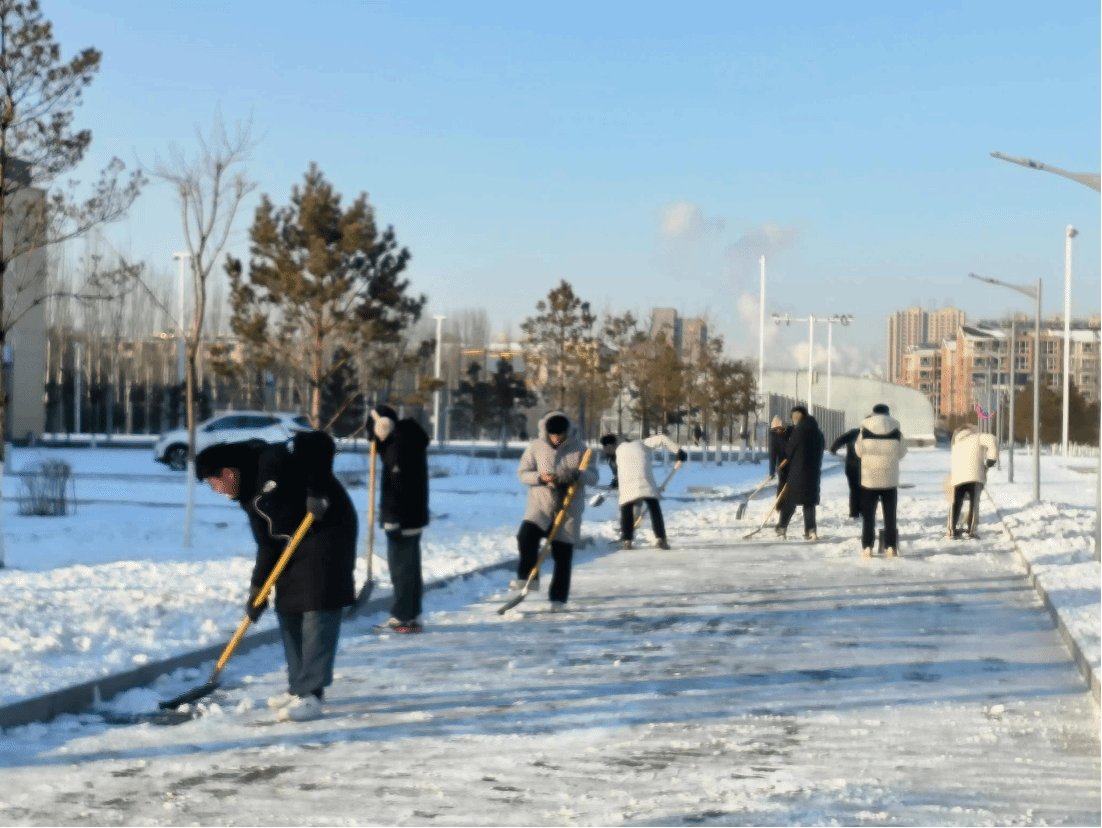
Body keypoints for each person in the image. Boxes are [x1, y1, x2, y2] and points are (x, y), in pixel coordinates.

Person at [196, 430, 357, 722]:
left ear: (228, 471)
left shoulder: (271, 459)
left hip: (327, 531)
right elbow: (267, 545)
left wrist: (317, 491)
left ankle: (312, 693)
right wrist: (257, 589)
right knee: (288, 607)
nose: (216, 489)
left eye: (214, 481)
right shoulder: (247, 497)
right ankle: (298, 687)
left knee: (317, 607)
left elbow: (318, 442)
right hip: (292, 542)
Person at [514, 410, 597, 612]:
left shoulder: (581, 449)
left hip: (568, 508)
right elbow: (522, 474)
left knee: (563, 555)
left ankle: (558, 600)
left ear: (567, 432)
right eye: (553, 436)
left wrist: (578, 475)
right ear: (546, 432)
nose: (557, 439)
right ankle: (529, 578)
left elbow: (593, 477)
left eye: (560, 435)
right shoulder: (536, 447)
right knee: (526, 537)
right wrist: (541, 478)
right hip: (540, 505)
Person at [368, 405, 430, 633]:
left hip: (402, 519)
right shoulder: (408, 438)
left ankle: (402, 617)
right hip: (413, 517)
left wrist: (392, 517)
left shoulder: (397, 446)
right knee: (411, 568)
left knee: (401, 570)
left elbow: (398, 486)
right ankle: (412, 615)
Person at [602, 433, 687, 550]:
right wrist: (678, 451)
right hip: (645, 482)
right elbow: (662, 438)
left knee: (626, 510)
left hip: (626, 484)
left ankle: (627, 540)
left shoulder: (617, 451)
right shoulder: (642, 443)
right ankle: (661, 538)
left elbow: (619, 468)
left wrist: (616, 480)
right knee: (654, 508)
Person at [854, 403, 908, 558]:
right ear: (887, 413)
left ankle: (867, 547)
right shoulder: (896, 430)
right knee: (890, 515)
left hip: (869, 480)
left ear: (873, 413)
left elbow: (858, 451)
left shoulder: (864, 430)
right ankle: (891, 547)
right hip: (889, 479)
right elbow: (902, 452)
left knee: (868, 516)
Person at [775, 406, 825, 540]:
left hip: (798, 473)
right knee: (809, 503)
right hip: (813, 473)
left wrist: (782, 439)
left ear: (798, 415)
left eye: (793, 416)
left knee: (789, 501)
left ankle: (781, 528)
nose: (792, 418)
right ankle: (811, 530)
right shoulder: (818, 433)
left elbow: (789, 451)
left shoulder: (798, 431)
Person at [947, 423, 998, 539]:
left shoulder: (956, 444)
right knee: (974, 504)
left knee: (956, 504)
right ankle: (971, 531)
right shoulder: (977, 437)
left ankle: (951, 530)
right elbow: (992, 439)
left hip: (958, 479)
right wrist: (992, 458)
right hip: (975, 477)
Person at [829, 427, 862, 519]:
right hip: (866, 467)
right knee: (865, 490)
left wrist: (833, 450)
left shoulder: (854, 432)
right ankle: (863, 511)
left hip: (851, 466)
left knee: (854, 490)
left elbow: (839, 441)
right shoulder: (871, 434)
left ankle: (854, 513)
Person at [768, 415, 791, 497]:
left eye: (781, 428)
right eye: (777, 429)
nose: (779, 430)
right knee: (782, 481)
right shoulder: (773, 437)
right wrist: (771, 471)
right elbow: (772, 455)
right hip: (782, 463)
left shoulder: (787, 433)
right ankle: (780, 500)